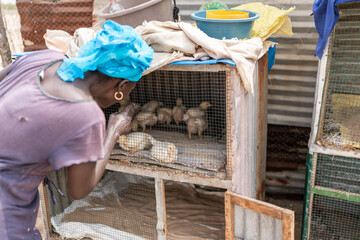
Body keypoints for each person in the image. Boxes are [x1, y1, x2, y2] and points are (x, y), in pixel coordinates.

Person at [0, 20, 154, 240]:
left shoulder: (41, 58)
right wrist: (112, 132)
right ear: (122, 87)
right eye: (129, 88)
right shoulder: (86, 115)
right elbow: (79, 190)